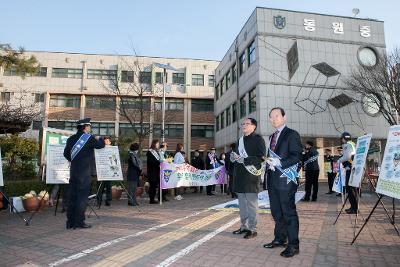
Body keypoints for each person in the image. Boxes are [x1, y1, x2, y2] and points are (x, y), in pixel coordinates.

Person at [263, 107, 302, 258]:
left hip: (286, 180)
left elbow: (297, 156)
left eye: (277, 116)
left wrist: (280, 162)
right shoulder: (272, 136)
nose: (274, 119)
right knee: (276, 212)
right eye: (271, 117)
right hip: (272, 180)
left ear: (284, 117)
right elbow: (269, 157)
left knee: (288, 213)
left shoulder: (292, 134)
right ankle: (280, 239)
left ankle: (293, 245)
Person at [63, 118, 110, 229]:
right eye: (89, 126)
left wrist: (74, 160)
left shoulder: (70, 139)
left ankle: (70, 222)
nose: (90, 128)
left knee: (73, 197)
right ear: (85, 127)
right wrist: (103, 140)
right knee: (82, 198)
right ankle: (79, 222)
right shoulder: (88, 138)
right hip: (84, 173)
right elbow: (100, 145)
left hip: (73, 171)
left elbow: (66, 154)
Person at [230, 118, 266, 239]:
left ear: (254, 126)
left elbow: (261, 157)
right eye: (242, 124)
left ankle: (252, 229)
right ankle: (244, 226)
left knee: (251, 204)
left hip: (251, 176)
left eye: (247, 123)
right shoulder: (239, 141)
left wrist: (244, 159)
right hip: (240, 176)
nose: (244, 125)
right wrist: (232, 157)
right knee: (242, 204)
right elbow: (236, 156)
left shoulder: (258, 139)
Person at [337, 132, 357, 214]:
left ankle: (354, 208)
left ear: (344, 138)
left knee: (349, 188)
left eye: (342, 138)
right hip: (353, 167)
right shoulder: (352, 144)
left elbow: (347, 157)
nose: (341, 140)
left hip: (350, 168)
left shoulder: (347, 145)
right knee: (352, 188)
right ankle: (354, 207)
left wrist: (339, 160)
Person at [96, 136, 112, 207]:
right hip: (101, 172)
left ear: (110, 142)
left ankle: (108, 201)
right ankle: (98, 201)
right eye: (105, 141)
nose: (106, 143)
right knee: (100, 188)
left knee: (108, 187)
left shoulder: (113, 149)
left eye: (107, 141)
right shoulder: (99, 149)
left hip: (109, 172)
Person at [146, 139, 162, 204]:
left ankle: (154, 198)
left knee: (155, 186)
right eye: (157, 143)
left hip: (156, 171)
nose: (158, 145)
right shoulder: (150, 152)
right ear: (154, 144)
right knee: (152, 186)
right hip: (152, 172)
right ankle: (151, 199)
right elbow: (151, 162)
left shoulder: (156, 152)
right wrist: (158, 163)